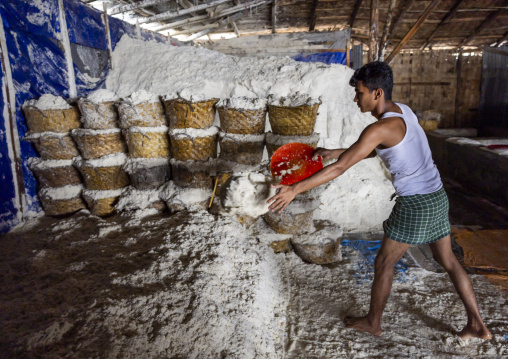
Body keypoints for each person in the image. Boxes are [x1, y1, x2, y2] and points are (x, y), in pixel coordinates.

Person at [267, 61, 491, 340]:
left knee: (384, 263)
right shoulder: (403, 112)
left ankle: (373, 322)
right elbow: (380, 151)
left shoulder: (378, 129)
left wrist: (293, 190)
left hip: (415, 204)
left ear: (377, 94)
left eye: (359, 93)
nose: (355, 98)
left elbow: (341, 169)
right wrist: (334, 151)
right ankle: (477, 324)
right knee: (448, 261)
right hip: (437, 197)